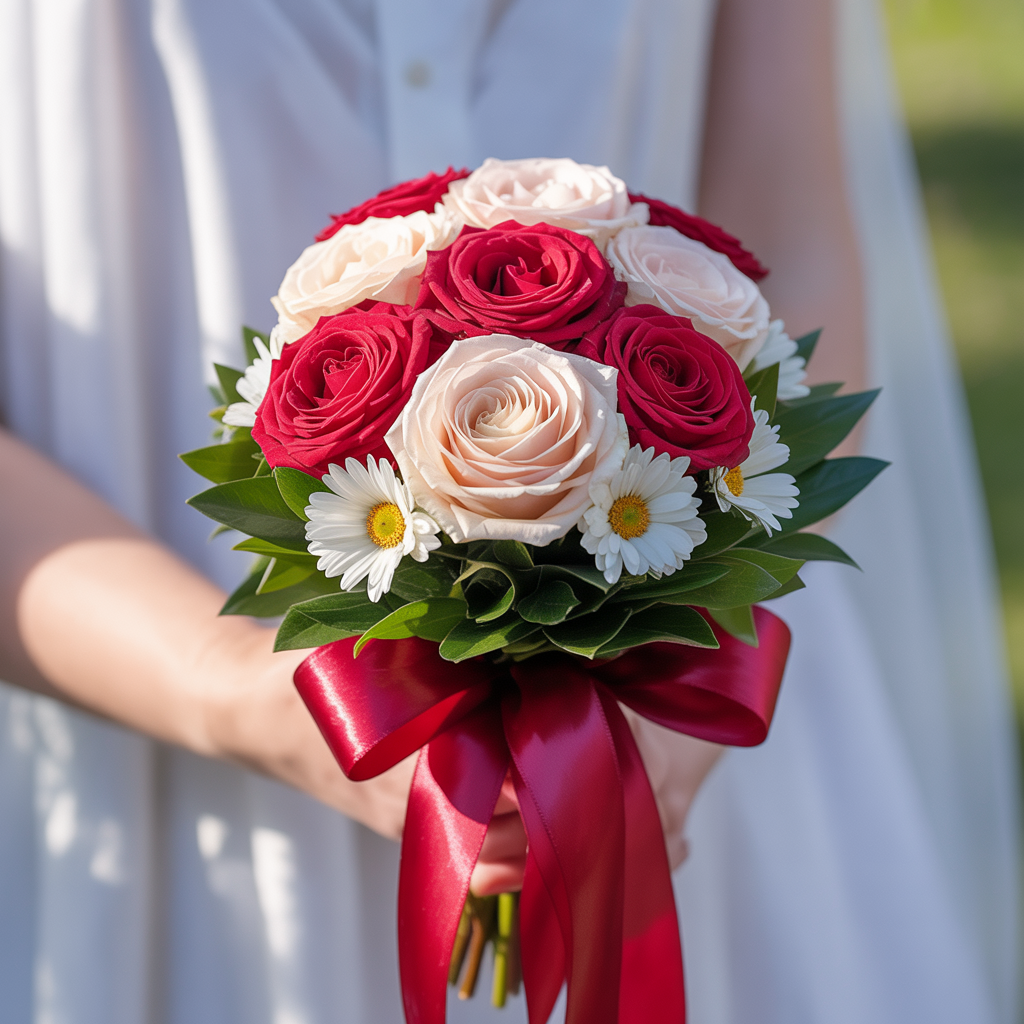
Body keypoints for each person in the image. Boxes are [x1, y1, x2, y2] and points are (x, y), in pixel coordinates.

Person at [0, 0, 1016, 1022]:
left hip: (670, 732)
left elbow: (790, 248)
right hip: (157, 745)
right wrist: (261, 699)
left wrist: (669, 692)